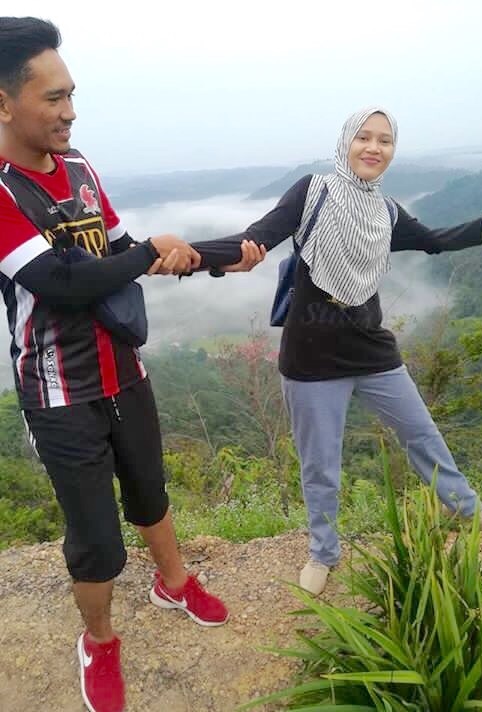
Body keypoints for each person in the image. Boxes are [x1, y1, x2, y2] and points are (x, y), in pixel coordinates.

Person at [0, 16, 265, 712]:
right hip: (58, 391)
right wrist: (149, 251)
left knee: (149, 490)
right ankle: (100, 640)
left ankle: (173, 583)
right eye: (53, 97)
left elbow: (119, 251)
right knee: (95, 537)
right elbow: (58, 280)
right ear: (4, 102)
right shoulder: (1, 190)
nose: (70, 111)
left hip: (124, 370)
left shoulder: (81, 170)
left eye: (72, 95)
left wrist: (218, 258)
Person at [189, 107, 482, 596]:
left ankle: (465, 506)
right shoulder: (312, 192)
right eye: (364, 137)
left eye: (384, 140)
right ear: (346, 142)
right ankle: (323, 551)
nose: (373, 148)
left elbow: (429, 240)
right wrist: (189, 257)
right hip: (311, 355)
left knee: (422, 434)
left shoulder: (386, 212)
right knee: (320, 464)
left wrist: (478, 227)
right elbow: (255, 238)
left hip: (370, 346)